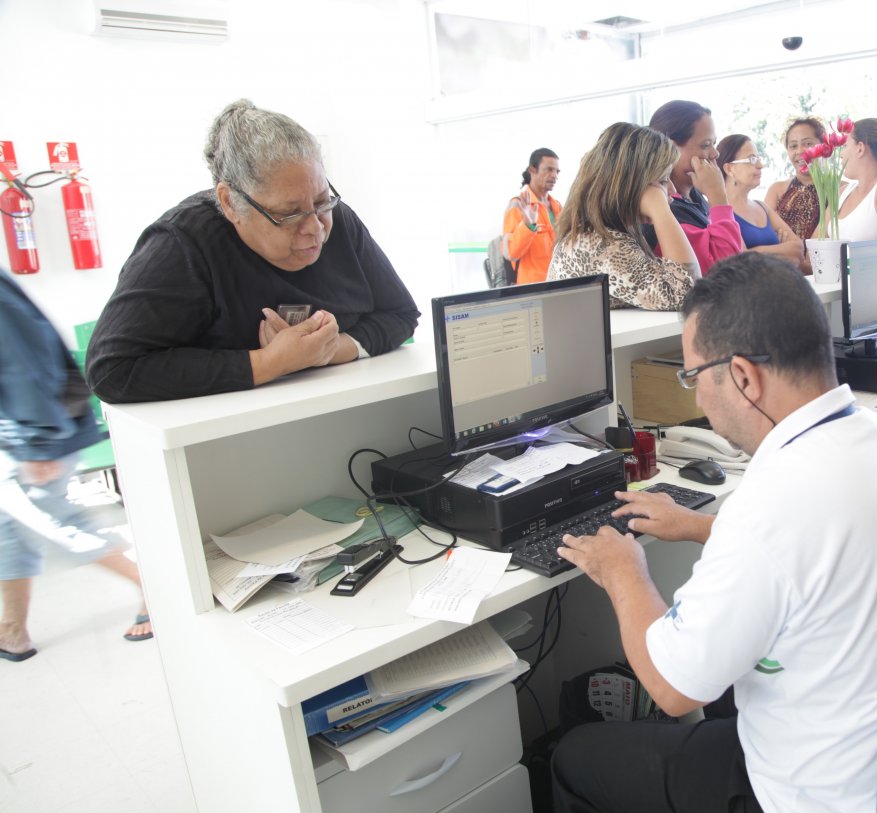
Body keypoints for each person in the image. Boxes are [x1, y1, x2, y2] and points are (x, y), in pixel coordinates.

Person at [551, 252, 877, 813]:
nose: (698, 396)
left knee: (580, 760)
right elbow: (819, 556)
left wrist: (623, 570)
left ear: (743, 376)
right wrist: (703, 526)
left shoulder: (772, 504)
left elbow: (671, 687)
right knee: (721, 707)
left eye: (694, 376)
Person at [85, 99, 420, 404]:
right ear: (231, 203)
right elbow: (111, 370)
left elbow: (401, 315)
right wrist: (270, 362)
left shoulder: (341, 222)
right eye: (289, 214)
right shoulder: (182, 242)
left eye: (321, 202)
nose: (315, 228)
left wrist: (327, 350)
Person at [1, 270, 152, 661]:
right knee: (12, 530)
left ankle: (154, 589)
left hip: (34, 431)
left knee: (55, 524)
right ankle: (12, 629)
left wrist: (38, 441)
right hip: (24, 430)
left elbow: (22, 361)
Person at [548, 122, 700, 310]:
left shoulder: (601, 234)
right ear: (629, 184)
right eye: (662, 180)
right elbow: (686, 294)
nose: (672, 190)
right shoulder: (598, 246)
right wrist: (660, 210)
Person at [647, 100, 744, 275]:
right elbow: (727, 272)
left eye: (714, 143)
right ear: (670, 148)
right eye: (706, 145)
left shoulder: (695, 197)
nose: (715, 153)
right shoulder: (666, 208)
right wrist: (718, 196)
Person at [715, 134, 804, 266]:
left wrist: (755, 251)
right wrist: (781, 252)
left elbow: (798, 249)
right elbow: (740, 260)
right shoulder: (719, 213)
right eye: (751, 159)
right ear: (729, 169)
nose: (760, 165)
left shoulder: (762, 207)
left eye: (758, 158)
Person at [502, 147, 562, 284]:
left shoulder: (558, 207)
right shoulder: (517, 206)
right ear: (532, 170)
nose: (555, 175)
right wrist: (528, 225)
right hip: (532, 292)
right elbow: (510, 253)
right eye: (549, 169)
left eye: (557, 171)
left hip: (558, 286)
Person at [763, 116, 825, 241]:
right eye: (793, 146)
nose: (800, 151)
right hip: (784, 259)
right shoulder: (777, 190)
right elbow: (764, 232)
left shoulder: (838, 188)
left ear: (823, 146)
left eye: (808, 144)